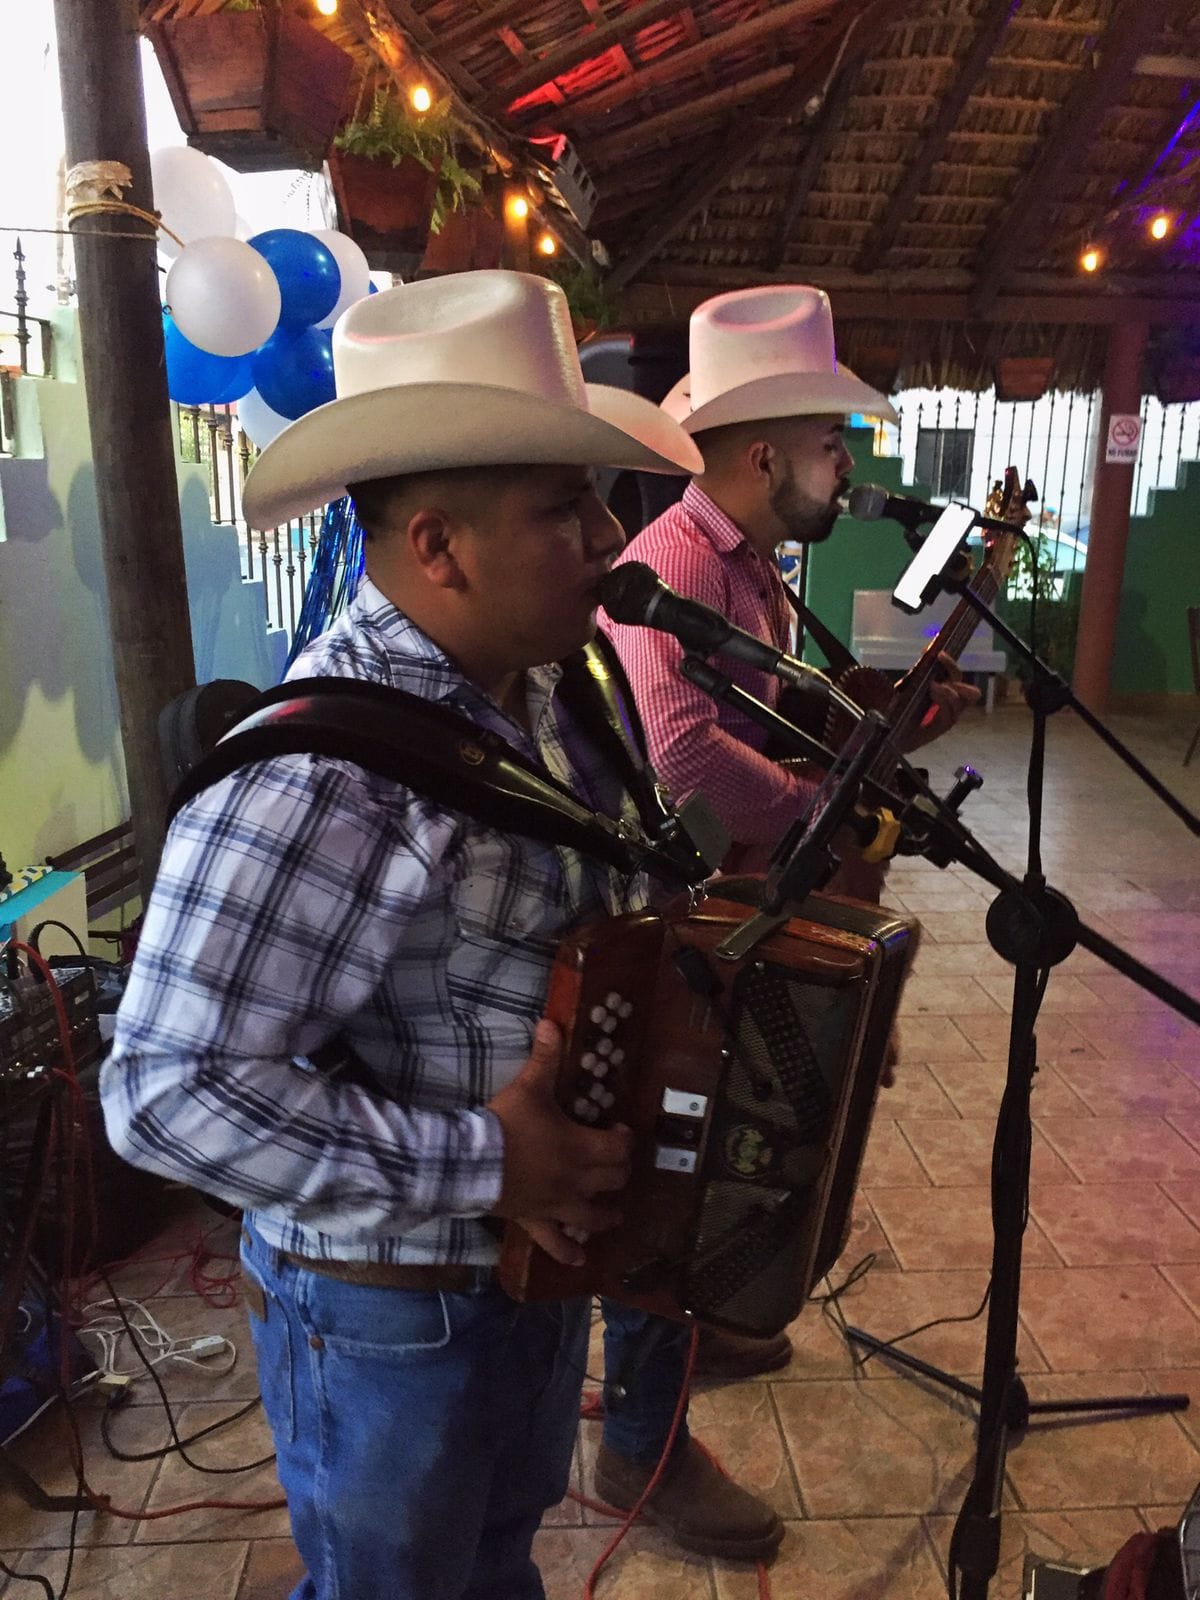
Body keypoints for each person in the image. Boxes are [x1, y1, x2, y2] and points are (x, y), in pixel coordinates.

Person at [100, 270, 711, 1600]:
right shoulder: (324, 775)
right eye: (564, 506)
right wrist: (489, 1160)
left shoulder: (558, 681)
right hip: (386, 1308)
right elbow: (160, 1093)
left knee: (493, 1564)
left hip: (524, 1269)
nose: (610, 534)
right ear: (439, 546)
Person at [594, 284, 979, 1544]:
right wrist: (818, 804)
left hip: (731, 898)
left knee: (724, 1144)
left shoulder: (750, 564)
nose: (844, 464)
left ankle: (698, 1331)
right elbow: (681, 755)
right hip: (685, 910)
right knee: (680, 1156)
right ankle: (640, 1448)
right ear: (763, 454)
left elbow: (759, 719)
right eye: (830, 442)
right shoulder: (677, 564)